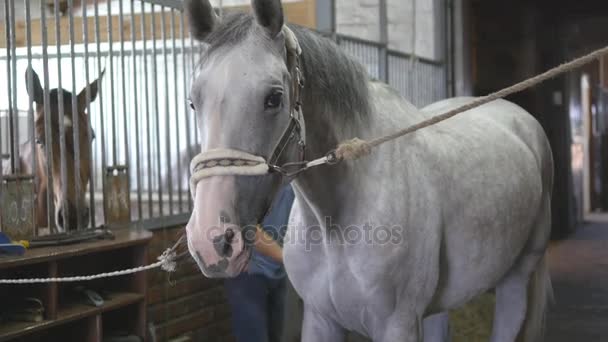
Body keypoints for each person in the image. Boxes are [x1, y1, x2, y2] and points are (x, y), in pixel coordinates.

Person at [224, 185, 295, 342]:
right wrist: (289, 259)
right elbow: (246, 226)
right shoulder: (245, 176)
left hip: (278, 271)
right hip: (248, 273)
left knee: (276, 336)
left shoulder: (289, 177)